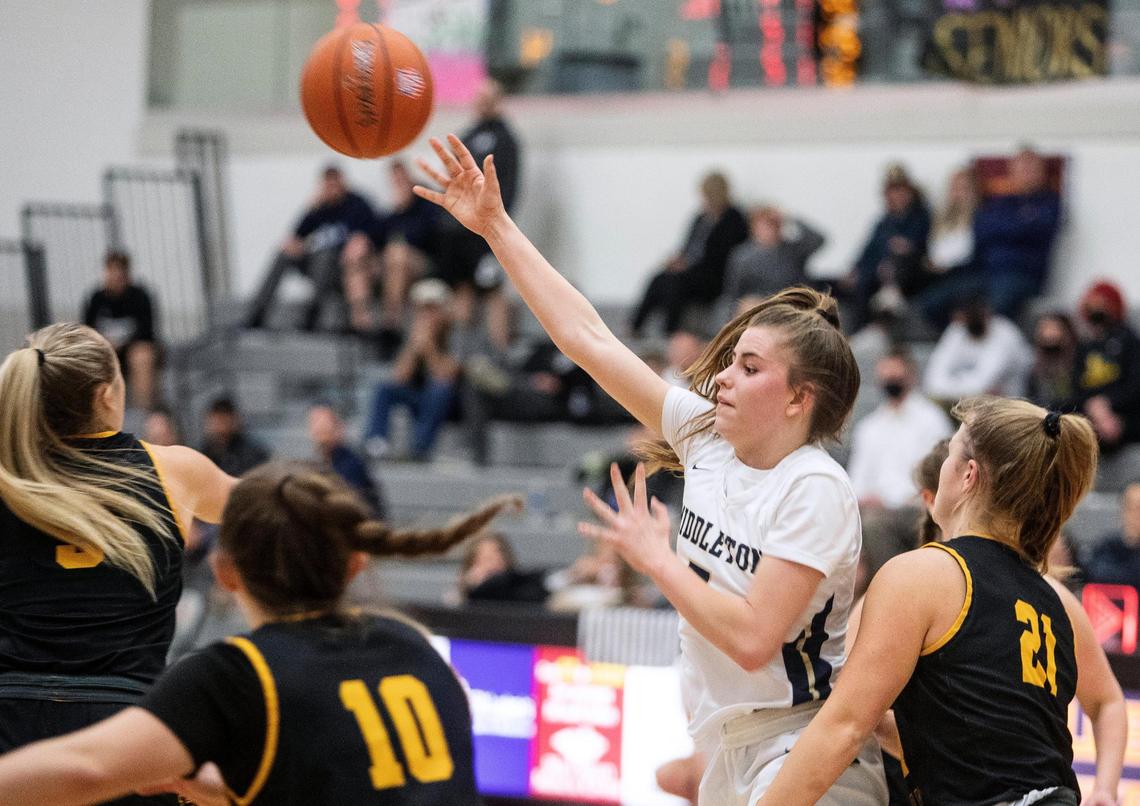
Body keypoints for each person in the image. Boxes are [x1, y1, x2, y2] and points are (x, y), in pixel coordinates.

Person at [414, 135, 885, 803]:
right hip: (732, 744)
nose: (722, 377)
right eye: (731, 360)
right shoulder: (706, 438)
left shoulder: (814, 487)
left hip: (806, 745)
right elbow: (588, 338)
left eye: (749, 369)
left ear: (798, 400)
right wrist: (496, 227)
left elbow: (754, 640)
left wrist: (656, 558)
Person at [0, 464, 520, 805]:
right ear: (355, 566)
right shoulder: (414, 647)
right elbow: (351, 781)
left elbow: (85, 768)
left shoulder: (238, 674)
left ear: (227, 574)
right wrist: (218, 786)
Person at [756, 397, 1125, 806]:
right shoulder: (1057, 600)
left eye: (949, 454)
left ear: (967, 475)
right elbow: (967, 747)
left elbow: (844, 727)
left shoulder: (922, 575)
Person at [0, 323, 235, 797]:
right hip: (125, 729)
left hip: (12, 723)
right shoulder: (174, 470)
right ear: (107, 395)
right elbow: (279, 510)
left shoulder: (8, 475)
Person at [848, 347, 952, 576]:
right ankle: (889, 586)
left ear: (911, 376)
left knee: (876, 524)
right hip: (880, 511)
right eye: (885, 376)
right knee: (868, 523)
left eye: (896, 375)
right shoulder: (870, 427)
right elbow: (858, 481)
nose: (890, 381)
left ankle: (897, 584)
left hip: (919, 506)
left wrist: (895, 500)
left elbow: (938, 473)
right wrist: (867, 499)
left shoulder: (930, 419)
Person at [433, 79, 520, 350]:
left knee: (492, 288)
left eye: (488, 98)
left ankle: (500, 354)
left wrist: (498, 222)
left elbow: (510, 185)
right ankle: (462, 357)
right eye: (478, 98)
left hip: (487, 231)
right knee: (462, 288)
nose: (482, 103)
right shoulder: (468, 136)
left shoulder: (506, 139)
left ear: (497, 101)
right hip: (459, 231)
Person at [245, 165, 375, 332]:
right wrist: (310, 209)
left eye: (335, 183)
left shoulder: (357, 205)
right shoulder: (319, 208)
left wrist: (361, 241)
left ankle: (310, 316)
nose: (332, 189)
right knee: (284, 253)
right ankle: (257, 313)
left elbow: (374, 234)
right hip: (315, 264)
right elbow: (296, 236)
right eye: (328, 184)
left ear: (342, 183)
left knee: (326, 255)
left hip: (340, 268)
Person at [630, 171, 750, 337]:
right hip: (690, 271)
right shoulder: (700, 218)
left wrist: (688, 265)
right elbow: (686, 247)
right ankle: (635, 326)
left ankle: (670, 331)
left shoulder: (734, 219)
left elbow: (723, 258)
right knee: (659, 278)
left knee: (676, 283)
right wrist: (678, 260)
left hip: (712, 277)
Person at [363, 279, 460, 462]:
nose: (426, 315)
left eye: (432, 308)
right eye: (422, 309)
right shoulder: (413, 334)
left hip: (452, 403)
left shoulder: (456, 333)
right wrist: (413, 348)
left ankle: (420, 448)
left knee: (440, 390)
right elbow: (400, 377)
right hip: (420, 396)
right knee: (384, 389)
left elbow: (446, 374)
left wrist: (429, 348)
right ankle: (376, 442)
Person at [346, 160, 443, 335]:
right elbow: (377, 236)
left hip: (424, 262)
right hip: (392, 262)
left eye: (402, 178)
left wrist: (405, 208)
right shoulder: (393, 211)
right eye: (395, 180)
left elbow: (428, 236)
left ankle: (391, 321)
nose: (398, 183)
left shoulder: (426, 204)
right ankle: (360, 321)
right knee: (357, 255)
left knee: (397, 253)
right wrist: (361, 241)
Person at [845, 163, 931, 332]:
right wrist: (855, 268)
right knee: (859, 282)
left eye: (900, 191)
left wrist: (904, 250)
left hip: (909, 273)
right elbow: (869, 250)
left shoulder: (921, 217)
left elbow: (922, 249)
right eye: (892, 191)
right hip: (880, 272)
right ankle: (860, 332)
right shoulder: (884, 222)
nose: (896, 196)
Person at [717, 206, 826, 322]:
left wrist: (790, 217)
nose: (771, 228)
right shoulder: (742, 256)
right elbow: (732, 293)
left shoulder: (794, 250)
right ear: (754, 226)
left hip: (792, 308)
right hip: (757, 309)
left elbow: (819, 239)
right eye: (766, 224)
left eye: (775, 224)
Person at [82, 251, 159, 410]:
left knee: (142, 355)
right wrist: (106, 343)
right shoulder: (96, 299)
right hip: (105, 350)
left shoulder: (140, 297)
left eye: (119, 271)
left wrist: (122, 343)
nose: (115, 276)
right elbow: (86, 332)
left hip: (132, 350)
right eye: (111, 270)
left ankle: (143, 411)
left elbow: (147, 332)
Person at [923, 296, 1034, 402]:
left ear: (985, 312)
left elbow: (983, 385)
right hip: (963, 401)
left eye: (973, 314)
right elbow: (932, 381)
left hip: (1010, 404)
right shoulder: (957, 330)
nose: (965, 320)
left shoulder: (1006, 333)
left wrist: (951, 388)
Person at [1074, 281, 1140, 451]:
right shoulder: (1083, 345)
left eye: (1102, 305)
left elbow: (1134, 387)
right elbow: (1077, 386)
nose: (1097, 311)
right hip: (1090, 412)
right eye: (1092, 305)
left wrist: (1107, 404)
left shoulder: (1129, 341)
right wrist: (1094, 406)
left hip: (1123, 413)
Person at [308, 403, 385, 519]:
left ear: (339, 429)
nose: (317, 429)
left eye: (323, 426)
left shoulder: (352, 463)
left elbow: (347, 506)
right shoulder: (321, 461)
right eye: (314, 424)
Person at [1085, 481, 1140, 590]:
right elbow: (1096, 574)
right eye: (1132, 508)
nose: (1136, 515)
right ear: (1123, 510)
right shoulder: (1107, 545)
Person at [199, 397, 271, 477]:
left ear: (234, 420)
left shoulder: (253, 453)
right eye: (217, 420)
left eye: (224, 420)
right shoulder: (201, 454)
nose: (220, 426)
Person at [1027, 311, 1080, 413]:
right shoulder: (1035, 370)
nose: (1049, 334)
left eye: (1054, 329)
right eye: (1045, 329)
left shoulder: (1079, 362)